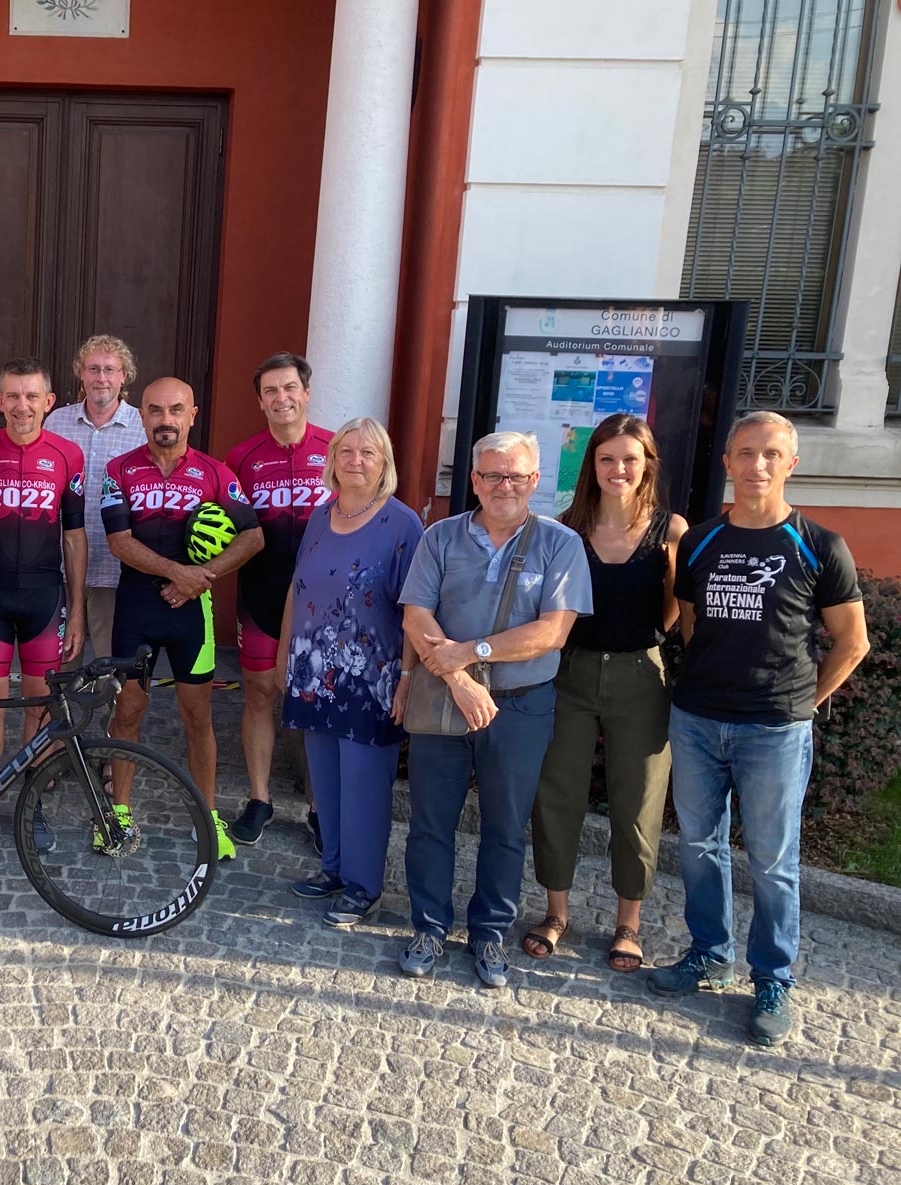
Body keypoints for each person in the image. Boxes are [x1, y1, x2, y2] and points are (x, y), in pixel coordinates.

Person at [649, 411, 868, 1046]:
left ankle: (773, 975)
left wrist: (802, 701)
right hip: (696, 720)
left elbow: (851, 642)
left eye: (772, 454)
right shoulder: (701, 542)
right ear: (727, 462)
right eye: (746, 453)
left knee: (773, 860)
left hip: (775, 728)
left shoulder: (819, 544)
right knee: (697, 846)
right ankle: (709, 954)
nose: (758, 466)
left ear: (791, 463)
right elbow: (691, 623)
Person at [397, 431, 591, 989]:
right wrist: (459, 678)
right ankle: (430, 927)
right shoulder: (440, 537)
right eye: (492, 475)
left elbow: (552, 632)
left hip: (522, 704)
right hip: (447, 698)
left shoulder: (559, 544)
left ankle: (489, 934)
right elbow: (416, 615)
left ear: (535, 481)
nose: (505, 486)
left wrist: (473, 651)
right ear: (475, 480)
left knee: (506, 827)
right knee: (430, 822)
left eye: (517, 476)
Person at [525, 414, 687, 971]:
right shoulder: (567, 528)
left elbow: (674, 609)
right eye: (607, 458)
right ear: (591, 465)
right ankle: (556, 912)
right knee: (557, 793)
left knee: (638, 801)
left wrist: (644, 644)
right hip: (570, 673)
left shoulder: (671, 530)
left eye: (630, 459)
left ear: (646, 466)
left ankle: (628, 923)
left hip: (641, 676)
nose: (618, 469)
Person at [100, 376, 263, 860]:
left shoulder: (216, 472)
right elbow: (119, 541)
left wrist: (203, 576)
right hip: (136, 609)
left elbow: (252, 537)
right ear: (142, 415)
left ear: (193, 414)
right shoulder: (119, 469)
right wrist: (181, 574)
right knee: (127, 712)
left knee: (197, 716)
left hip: (194, 615)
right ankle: (119, 815)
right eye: (155, 410)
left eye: (175, 410)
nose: (165, 420)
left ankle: (206, 815)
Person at [278, 419, 422, 926]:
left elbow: (416, 609)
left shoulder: (403, 524)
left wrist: (406, 676)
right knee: (326, 780)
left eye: (368, 453)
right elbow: (299, 590)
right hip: (314, 674)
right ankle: (334, 868)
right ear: (332, 457)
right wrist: (284, 661)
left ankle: (364, 886)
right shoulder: (320, 516)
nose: (355, 460)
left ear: (384, 463)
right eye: (346, 451)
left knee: (364, 784)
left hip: (371, 679)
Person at [0, 358, 86, 855]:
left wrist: (78, 606)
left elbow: (74, 538)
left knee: (40, 707)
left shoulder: (69, 455)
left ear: (49, 402)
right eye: (12, 396)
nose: (22, 406)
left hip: (43, 598)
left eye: (32, 396)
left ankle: (33, 804)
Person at [224, 352, 335, 845]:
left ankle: (319, 806)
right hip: (261, 593)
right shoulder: (241, 458)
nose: (281, 398)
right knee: (260, 694)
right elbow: (228, 528)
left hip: (325, 601)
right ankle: (259, 798)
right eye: (271, 391)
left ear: (307, 393)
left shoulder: (337, 449)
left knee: (316, 701)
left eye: (289, 388)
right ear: (260, 400)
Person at [43, 335, 145, 658]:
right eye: (93, 369)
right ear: (81, 374)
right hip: (61, 564)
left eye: (110, 370)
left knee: (109, 665)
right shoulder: (56, 421)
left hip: (113, 569)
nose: (101, 378)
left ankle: (106, 713)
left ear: (123, 376)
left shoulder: (142, 426)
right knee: (60, 666)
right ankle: (61, 713)